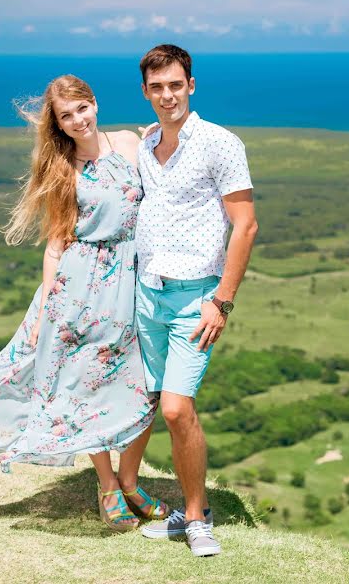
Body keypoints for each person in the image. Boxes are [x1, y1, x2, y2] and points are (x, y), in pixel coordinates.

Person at [0, 74, 167, 532]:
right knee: (87, 387)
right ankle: (108, 486)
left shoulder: (128, 142)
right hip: (81, 290)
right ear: (58, 124)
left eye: (82, 108)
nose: (78, 120)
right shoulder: (63, 169)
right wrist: (47, 310)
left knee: (147, 384)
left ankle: (130, 478)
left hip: (135, 279)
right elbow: (56, 244)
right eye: (67, 116)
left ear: (95, 104)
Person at [134, 44, 258, 556]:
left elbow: (245, 224)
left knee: (177, 408)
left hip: (196, 300)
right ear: (146, 92)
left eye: (176, 85)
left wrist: (221, 301)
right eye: (157, 87)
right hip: (146, 294)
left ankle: (196, 517)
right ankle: (124, 494)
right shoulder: (145, 143)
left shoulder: (219, 143)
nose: (168, 95)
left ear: (191, 85)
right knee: (145, 401)